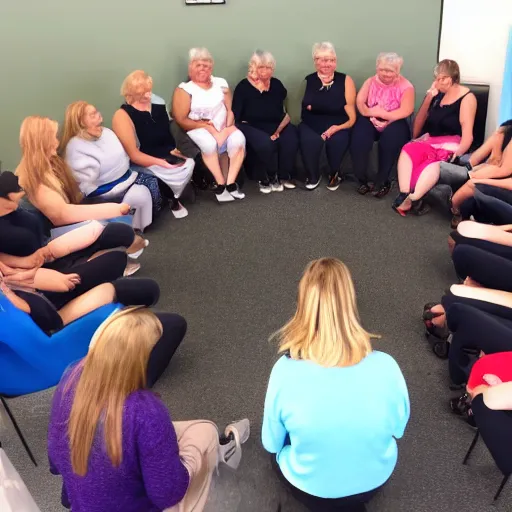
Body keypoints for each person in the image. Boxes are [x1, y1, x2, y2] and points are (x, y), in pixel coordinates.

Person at [48, 307, 250, 512]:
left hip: (84, 506)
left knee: (161, 438)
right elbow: (167, 494)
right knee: (206, 432)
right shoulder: (145, 411)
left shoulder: (71, 376)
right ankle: (213, 464)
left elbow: (55, 462)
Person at [262, 258, 410, 512]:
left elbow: (271, 444)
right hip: (373, 482)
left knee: (281, 433)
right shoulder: (388, 366)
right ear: (349, 303)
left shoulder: (284, 372)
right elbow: (398, 429)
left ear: (303, 307)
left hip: (308, 489)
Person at [61, 101, 163, 232]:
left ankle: (137, 223)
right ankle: (125, 225)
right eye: (93, 115)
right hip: (104, 191)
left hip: (127, 177)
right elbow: (86, 180)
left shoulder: (107, 133)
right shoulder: (75, 147)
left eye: (97, 113)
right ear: (80, 121)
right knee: (141, 193)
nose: (100, 117)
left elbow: (123, 156)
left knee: (152, 180)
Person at [393, 59, 477, 216]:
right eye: (436, 78)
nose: (438, 82)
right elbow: (416, 129)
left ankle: (414, 197)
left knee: (434, 162)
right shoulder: (438, 95)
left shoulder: (467, 98)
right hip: (431, 140)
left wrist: (457, 156)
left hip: (452, 143)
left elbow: (468, 136)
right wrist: (429, 98)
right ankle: (404, 194)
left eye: (442, 78)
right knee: (408, 148)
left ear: (453, 77)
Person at [112, 70, 195, 218]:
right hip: (145, 159)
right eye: (142, 93)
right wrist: (162, 163)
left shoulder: (158, 104)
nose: (148, 96)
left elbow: (166, 134)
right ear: (131, 94)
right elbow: (134, 155)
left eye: (149, 91)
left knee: (190, 163)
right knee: (169, 172)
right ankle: (171, 197)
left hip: (166, 153)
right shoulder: (122, 116)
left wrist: (176, 152)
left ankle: (173, 192)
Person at [172, 48, 246, 203]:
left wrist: (228, 126)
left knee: (238, 139)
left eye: (206, 65)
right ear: (190, 68)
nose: (202, 68)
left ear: (211, 67)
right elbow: (180, 118)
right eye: (198, 65)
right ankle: (220, 184)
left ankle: (230, 183)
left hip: (222, 124)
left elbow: (229, 108)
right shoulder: (184, 89)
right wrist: (207, 127)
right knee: (209, 144)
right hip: (197, 126)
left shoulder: (221, 83)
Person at [233, 50, 299, 194]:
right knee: (265, 144)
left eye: (268, 67)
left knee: (291, 138)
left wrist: (278, 129)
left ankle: (283, 176)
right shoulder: (243, 86)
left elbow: (284, 104)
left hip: (276, 123)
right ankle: (265, 177)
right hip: (251, 125)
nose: (264, 71)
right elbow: (236, 116)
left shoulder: (276, 84)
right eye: (260, 67)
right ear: (253, 68)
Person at [350, 52, 414, 198]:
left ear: (397, 71)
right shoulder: (370, 81)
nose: (385, 74)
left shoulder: (406, 86)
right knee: (359, 139)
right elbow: (360, 102)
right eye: (382, 69)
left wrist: (385, 117)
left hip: (395, 119)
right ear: (377, 68)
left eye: (390, 70)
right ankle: (362, 180)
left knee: (389, 142)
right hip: (370, 116)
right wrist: (369, 113)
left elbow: (406, 110)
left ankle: (383, 181)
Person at [298, 42, 356, 191]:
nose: (327, 64)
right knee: (309, 140)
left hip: (339, 123)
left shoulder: (346, 80)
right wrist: (332, 105)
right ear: (315, 61)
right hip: (311, 123)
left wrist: (337, 127)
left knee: (337, 141)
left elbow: (351, 116)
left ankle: (334, 174)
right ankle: (313, 175)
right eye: (323, 60)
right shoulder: (309, 80)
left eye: (331, 60)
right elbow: (305, 108)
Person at [449, 121, 512, 227]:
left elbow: (505, 171)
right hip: (497, 173)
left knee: (475, 189)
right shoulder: (505, 130)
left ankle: (458, 210)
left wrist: (481, 181)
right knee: (470, 192)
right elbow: (495, 163)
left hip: (505, 183)